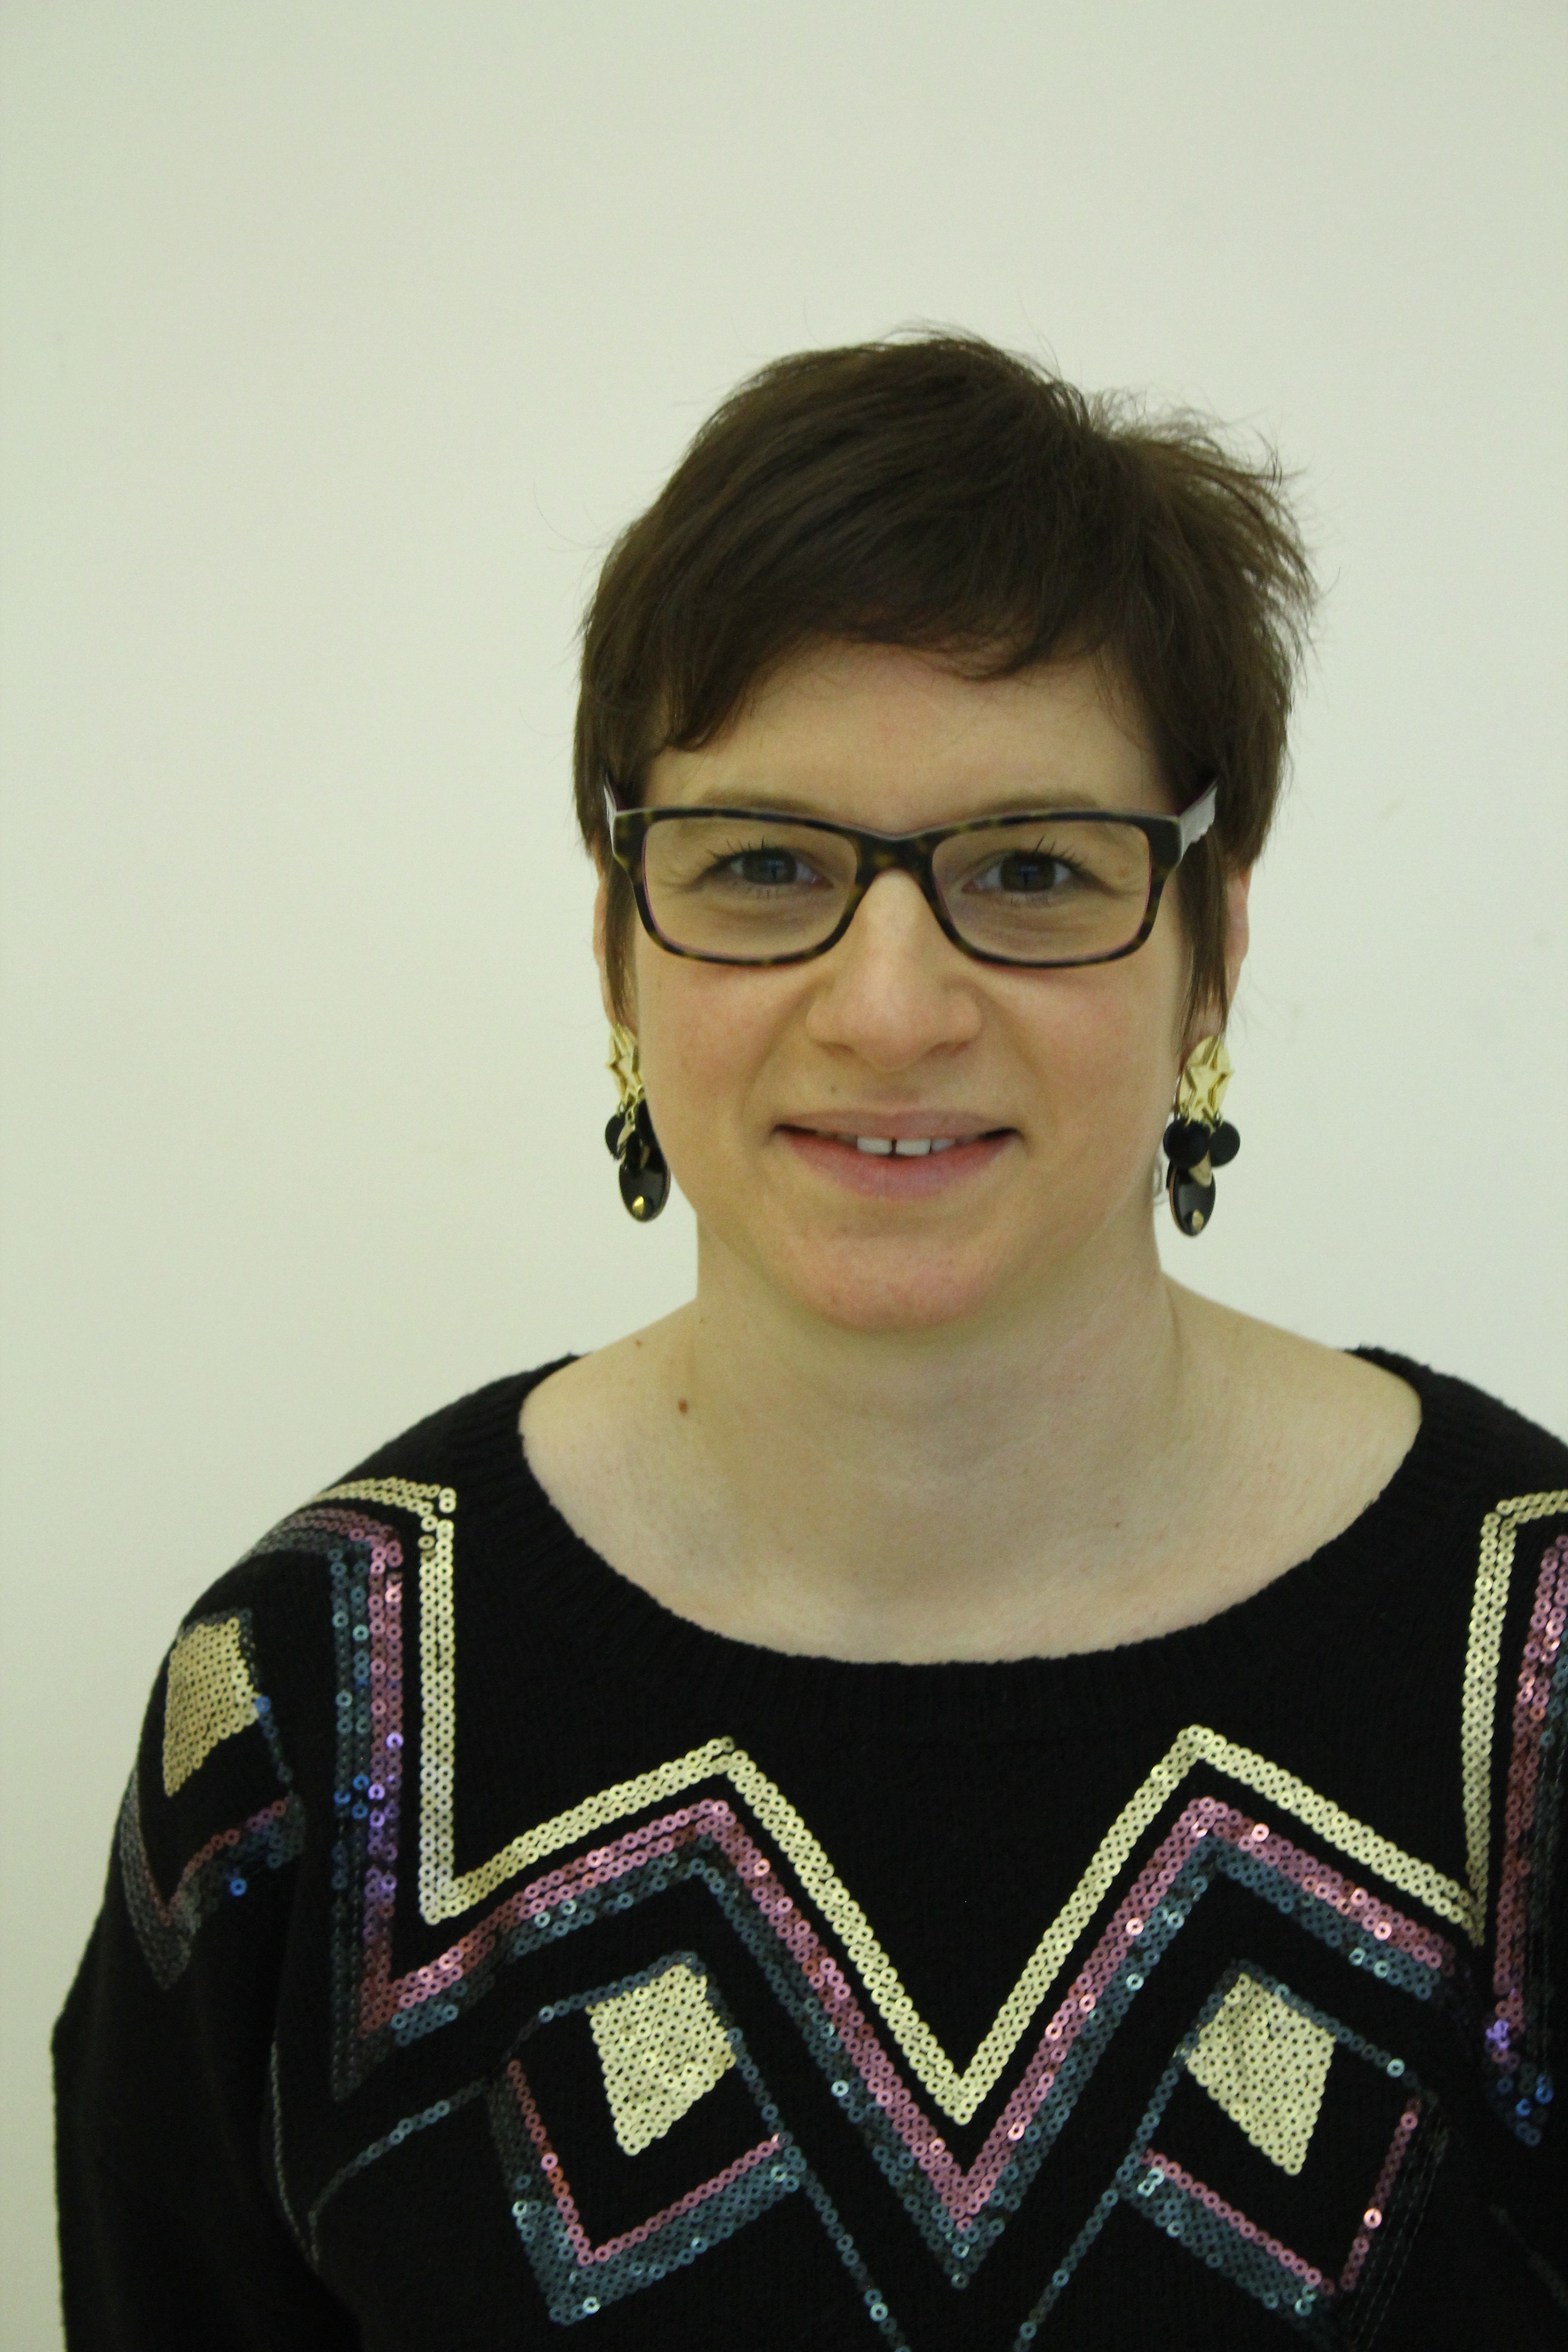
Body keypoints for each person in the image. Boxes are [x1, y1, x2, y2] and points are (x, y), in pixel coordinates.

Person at [54, 335, 1568, 2348]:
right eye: (766, 866)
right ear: (619, 941)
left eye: (1032, 869)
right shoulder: (307, 1715)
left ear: (1215, 943)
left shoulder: (1538, 1689)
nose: (889, 1007)